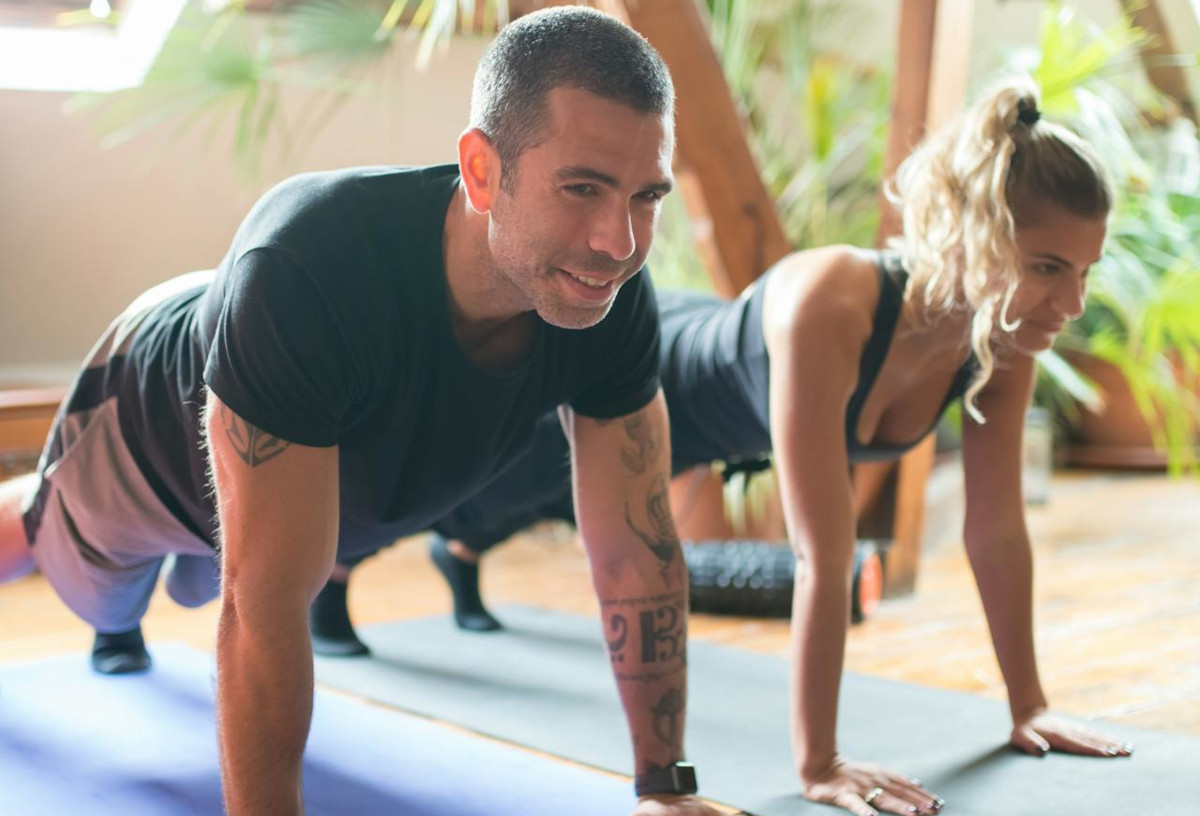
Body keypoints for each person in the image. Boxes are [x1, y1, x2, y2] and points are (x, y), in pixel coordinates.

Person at [316, 77, 1135, 816]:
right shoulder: (835, 299)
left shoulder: (1005, 333)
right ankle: (345, 568)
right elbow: (821, 552)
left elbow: (995, 529)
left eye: (1085, 272)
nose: (1071, 301)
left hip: (700, 433)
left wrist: (1028, 705)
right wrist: (822, 763)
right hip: (644, 365)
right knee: (476, 477)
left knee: (514, 495)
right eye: (1048, 266)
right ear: (971, 234)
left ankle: (459, 555)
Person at [0, 8, 726, 816]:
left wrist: (666, 789)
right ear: (482, 171)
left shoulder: (605, 300)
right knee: (81, 574)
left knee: (205, 585)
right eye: (582, 188)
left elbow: (635, 552)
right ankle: (64, 544)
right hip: (143, 433)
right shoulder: (315, 265)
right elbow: (265, 605)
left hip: (273, 475)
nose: (618, 242)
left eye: (645, 196)